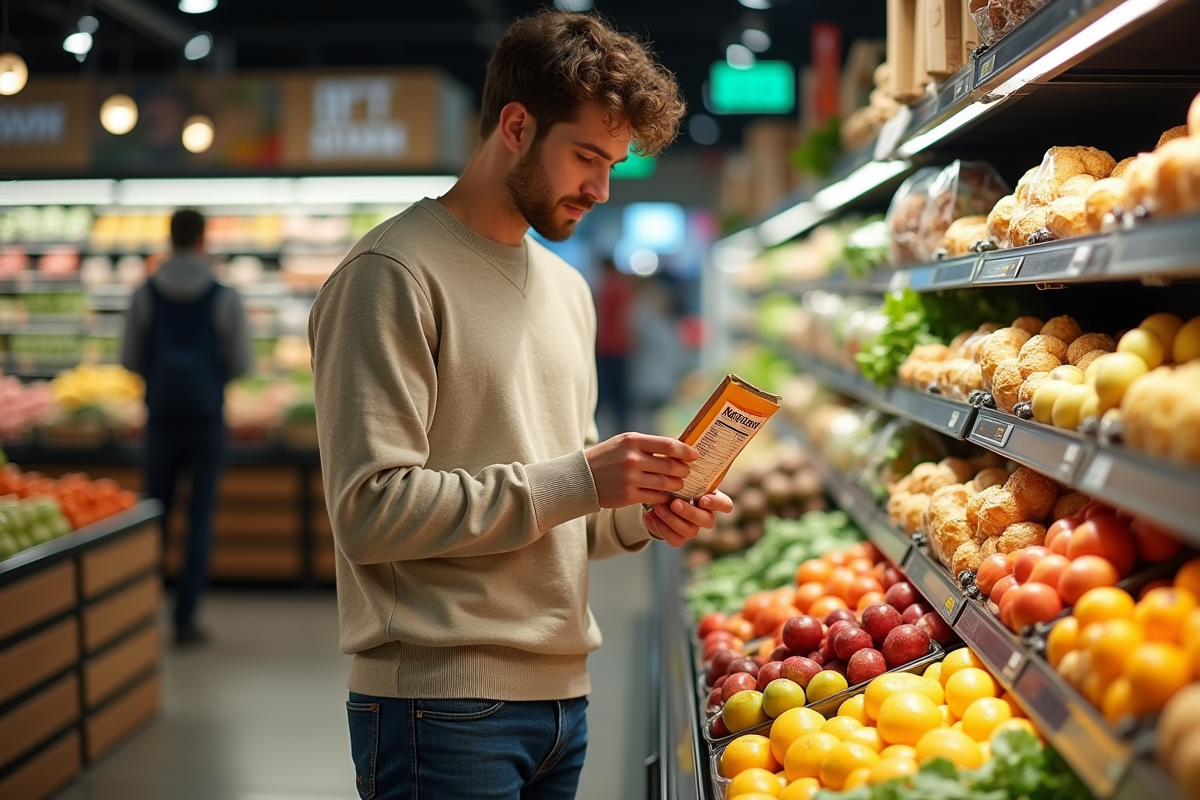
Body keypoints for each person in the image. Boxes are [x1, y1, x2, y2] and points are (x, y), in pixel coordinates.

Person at [308, 11, 732, 800]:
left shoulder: (568, 291)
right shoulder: (391, 275)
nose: (602, 190)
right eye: (586, 158)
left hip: (562, 703)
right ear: (515, 125)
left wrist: (643, 509)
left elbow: (573, 511)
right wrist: (582, 479)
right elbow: (367, 510)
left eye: (615, 166)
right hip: (438, 706)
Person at [119, 209, 252, 646]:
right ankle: (185, 619)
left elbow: (129, 358)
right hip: (206, 420)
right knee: (199, 520)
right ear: (202, 239)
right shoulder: (223, 295)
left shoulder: (144, 292)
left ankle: (140, 612)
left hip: (159, 420)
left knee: (153, 516)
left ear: (169, 237)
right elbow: (240, 361)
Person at [594, 257, 634, 436]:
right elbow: (624, 319)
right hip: (618, 345)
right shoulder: (619, 289)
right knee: (620, 391)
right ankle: (621, 427)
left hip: (606, 345)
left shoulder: (605, 290)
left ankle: (605, 428)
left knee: (605, 390)